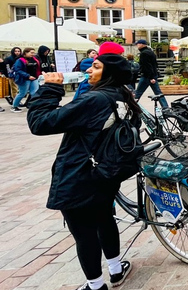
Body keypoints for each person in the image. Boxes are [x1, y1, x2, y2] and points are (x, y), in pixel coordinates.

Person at [27, 53, 138, 290]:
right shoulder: (123, 96)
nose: (89, 70)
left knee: (84, 232)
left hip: (79, 174)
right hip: (106, 173)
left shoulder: (95, 99)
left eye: (96, 67)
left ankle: (95, 285)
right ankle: (116, 269)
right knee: (105, 219)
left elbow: (41, 123)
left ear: (108, 74)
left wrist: (50, 89)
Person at [133, 39, 168, 108]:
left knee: (138, 92)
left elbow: (147, 66)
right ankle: (165, 106)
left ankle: (132, 106)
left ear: (143, 44)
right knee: (158, 92)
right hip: (152, 75)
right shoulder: (150, 52)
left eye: (138, 44)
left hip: (147, 76)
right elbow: (154, 64)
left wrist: (151, 77)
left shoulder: (144, 53)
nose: (137, 45)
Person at [11, 47, 41, 112]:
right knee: (22, 93)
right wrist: (28, 76)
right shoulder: (20, 60)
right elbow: (18, 70)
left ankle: (34, 106)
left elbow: (38, 68)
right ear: (26, 53)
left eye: (33, 52)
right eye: (31, 53)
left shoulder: (35, 59)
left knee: (34, 93)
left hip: (34, 78)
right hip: (24, 79)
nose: (33, 54)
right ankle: (14, 106)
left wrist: (39, 75)